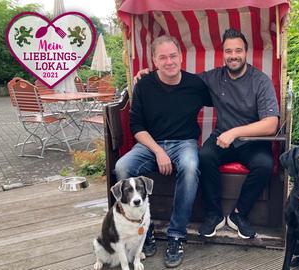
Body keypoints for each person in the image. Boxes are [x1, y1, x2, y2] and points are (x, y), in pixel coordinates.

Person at [134, 29, 279, 239]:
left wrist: (236, 132)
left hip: (252, 141)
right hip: (221, 139)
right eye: (228, 51)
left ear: (246, 53)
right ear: (223, 54)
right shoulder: (212, 78)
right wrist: (148, 74)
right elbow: (179, 79)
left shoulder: (260, 81)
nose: (233, 55)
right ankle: (214, 213)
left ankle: (240, 214)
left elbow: (271, 124)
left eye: (238, 50)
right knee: (204, 156)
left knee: (265, 164)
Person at [115, 35, 211, 268]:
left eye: (173, 55)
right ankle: (143, 231)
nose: (169, 61)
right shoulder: (145, 85)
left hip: (184, 142)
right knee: (123, 167)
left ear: (181, 56)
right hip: (150, 143)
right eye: (163, 57)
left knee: (190, 167)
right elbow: (136, 126)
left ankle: (176, 236)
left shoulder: (195, 84)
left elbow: (225, 100)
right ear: (154, 61)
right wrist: (159, 151)